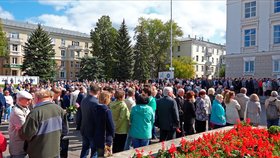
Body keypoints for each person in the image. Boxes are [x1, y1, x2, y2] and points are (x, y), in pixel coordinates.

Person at [19, 89, 68, 158]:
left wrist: (20, 130)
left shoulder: (35, 112)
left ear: (37, 98)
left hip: (39, 152)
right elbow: (65, 131)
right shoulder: (59, 109)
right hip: (55, 150)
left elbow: (26, 135)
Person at [9, 91, 32, 158]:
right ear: (19, 100)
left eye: (30, 99)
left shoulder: (25, 108)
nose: (30, 101)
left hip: (24, 144)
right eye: (27, 99)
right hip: (18, 147)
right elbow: (26, 127)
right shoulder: (17, 111)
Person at [80, 84, 100, 158]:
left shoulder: (84, 99)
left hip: (84, 128)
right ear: (98, 92)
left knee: (84, 149)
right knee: (94, 152)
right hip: (93, 130)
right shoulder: (96, 102)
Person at [94, 91, 115, 157]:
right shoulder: (107, 111)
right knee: (107, 155)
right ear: (107, 99)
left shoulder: (95, 108)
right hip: (106, 138)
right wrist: (113, 135)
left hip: (97, 137)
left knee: (99, 155)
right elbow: (111, 126)